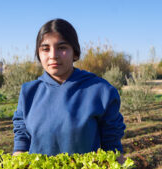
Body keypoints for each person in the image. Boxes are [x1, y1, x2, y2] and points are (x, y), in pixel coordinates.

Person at [12, 18, 126, 159]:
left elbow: (112, 149)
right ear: (38, 54)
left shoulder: (101, 92)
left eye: (62, 48)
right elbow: (21, 144)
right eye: (45, 49)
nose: (53, 56)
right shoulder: (28, 92)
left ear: (75, 52)